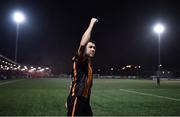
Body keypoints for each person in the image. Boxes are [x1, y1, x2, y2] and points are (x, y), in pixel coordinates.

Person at [66, 18, 98, 116]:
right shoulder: (80, 59)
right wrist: (91, 24)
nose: (93, 49)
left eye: (94, 48)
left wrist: (67, 98)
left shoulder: (87, 63)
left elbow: (73, 81)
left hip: (85, 100)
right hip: (77, 98)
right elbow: (83, 44)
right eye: (90, 47)